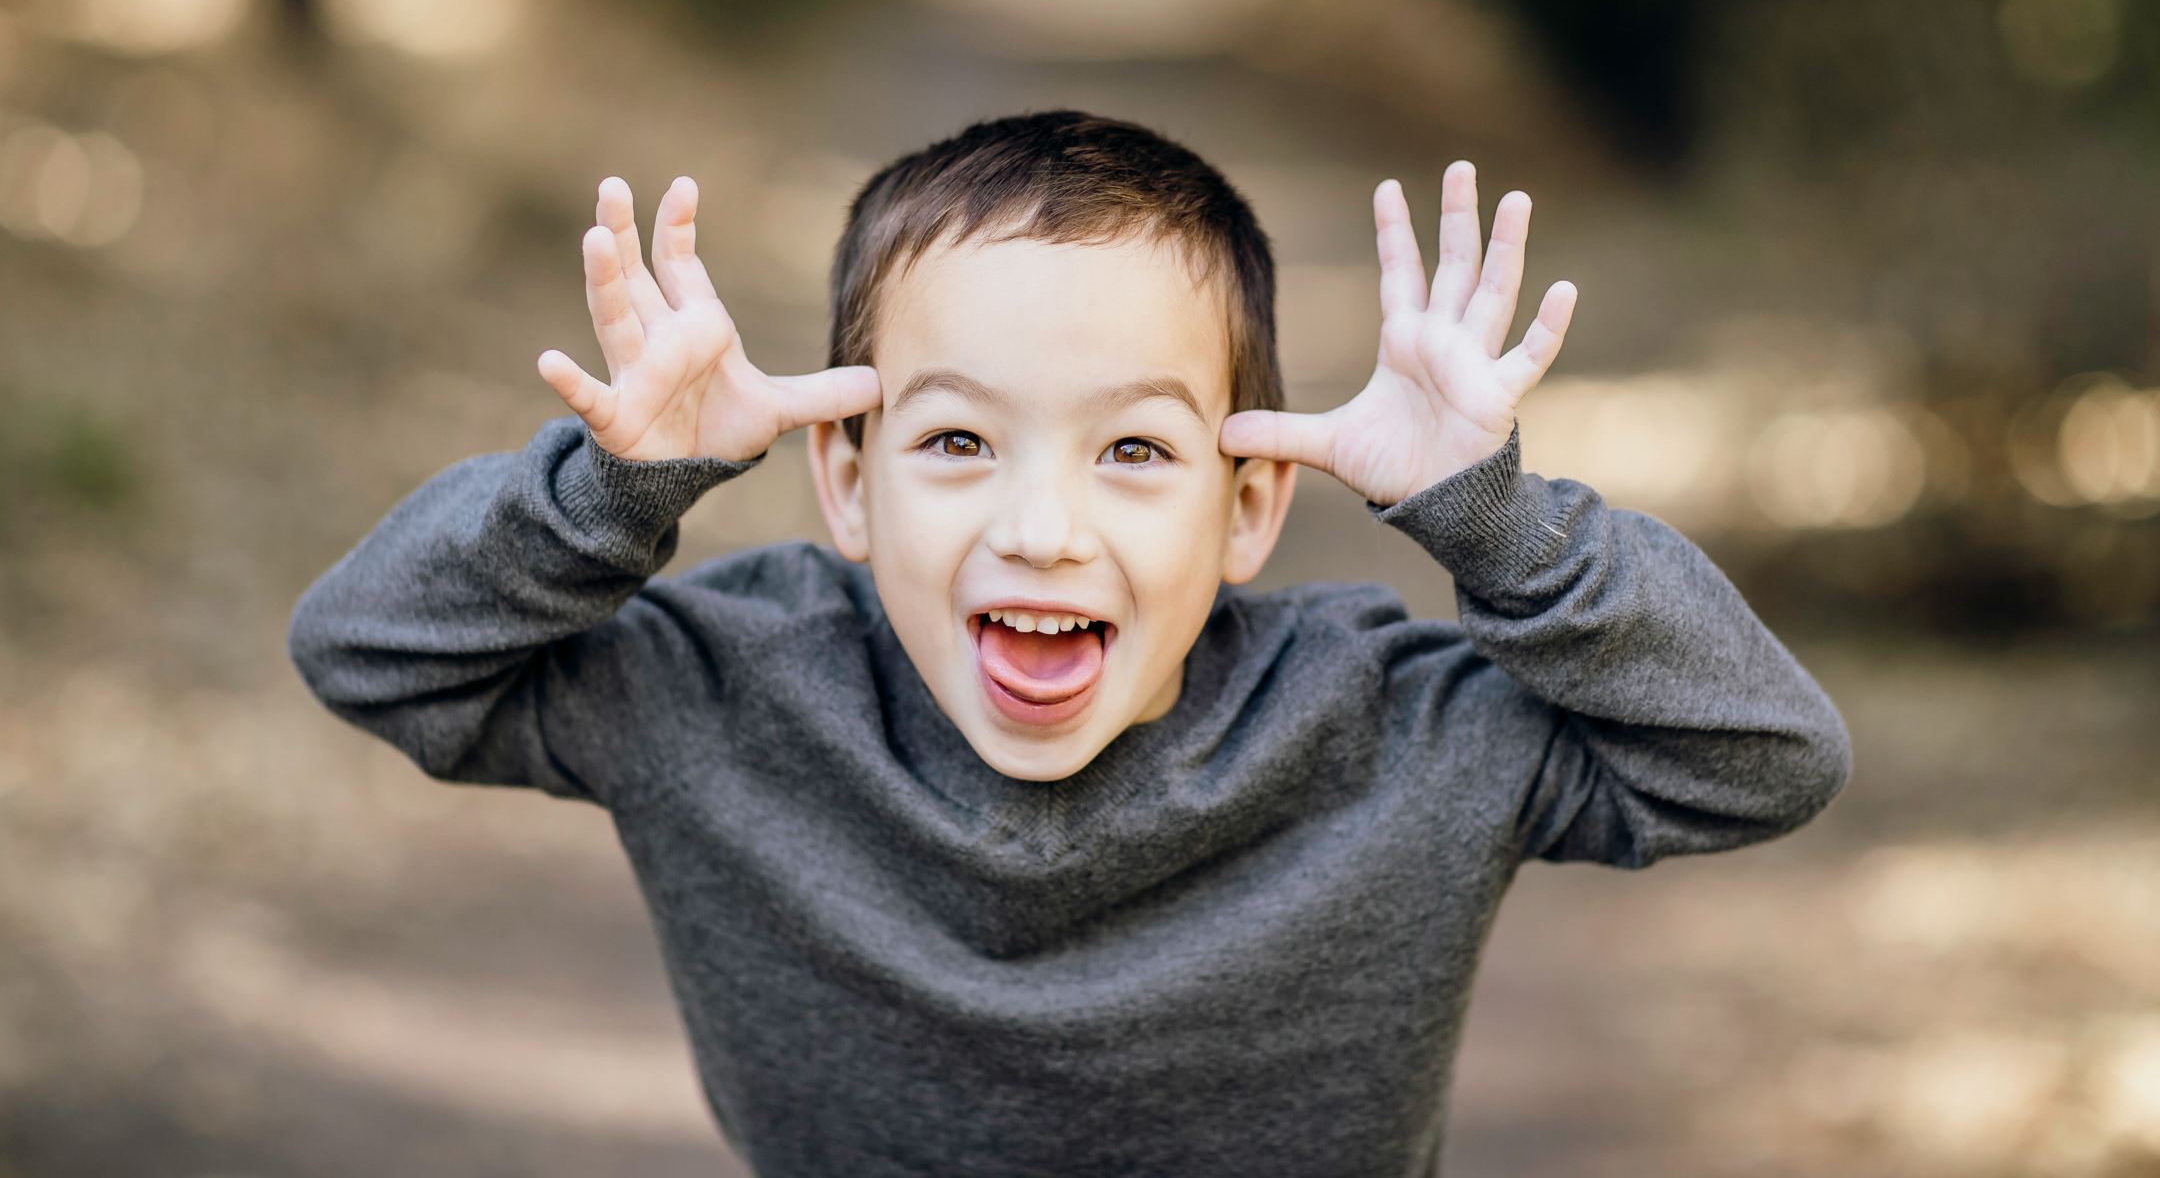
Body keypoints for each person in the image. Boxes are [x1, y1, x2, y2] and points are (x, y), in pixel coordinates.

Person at [289, 110, 1848, 1176]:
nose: (1042, 527)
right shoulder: (722, 688)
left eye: (1135, 453)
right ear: (844, 479)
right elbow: (377, 653)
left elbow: (1760, 759)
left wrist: (1492, 519)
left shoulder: (1398, 733)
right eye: (958, 443)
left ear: (1251, 512)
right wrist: (614, 497)